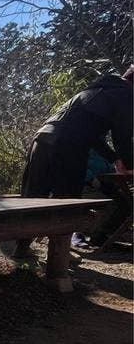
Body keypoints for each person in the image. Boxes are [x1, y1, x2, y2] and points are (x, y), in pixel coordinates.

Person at [14, 66, 133, 257]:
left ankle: (22, 248)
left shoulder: (99, 90)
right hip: (67, 144)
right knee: (67, 201)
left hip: (42, 138)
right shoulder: (125, 95)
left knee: (34, 195)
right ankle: (57, 259)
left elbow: (92, 136)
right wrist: (128, 163)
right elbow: (123, 136)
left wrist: (116, 159)